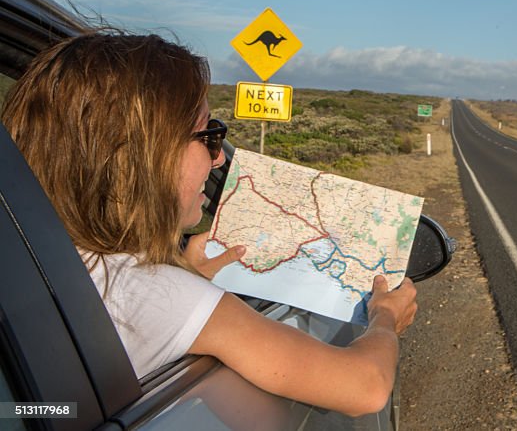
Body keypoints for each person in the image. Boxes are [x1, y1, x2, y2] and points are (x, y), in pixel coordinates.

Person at [1, 31, 417, 416]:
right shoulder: (153, 294)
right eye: (209, 137)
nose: (219, 158)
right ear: (148, 155)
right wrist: (384, 318)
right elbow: (365, 386)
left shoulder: (35, 261)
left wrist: (188, 274)